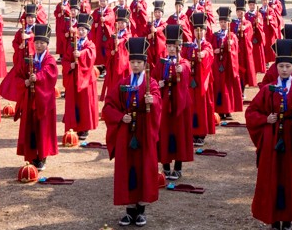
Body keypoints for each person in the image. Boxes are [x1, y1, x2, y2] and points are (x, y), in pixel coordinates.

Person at [245, 38, 292, 230]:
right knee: (272, 176)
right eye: (280, 66)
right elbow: (251, 112)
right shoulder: (267, 89)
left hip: (291, 138)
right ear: (276, 68)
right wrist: (266, 120)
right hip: (272, 138)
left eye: (287, 66)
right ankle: (273, 218)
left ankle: (288, 218)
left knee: (291, 177)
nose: (284, 70)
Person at [102, 37, 161, 227]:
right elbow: (109, 105)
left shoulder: (151, 83)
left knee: (144, 168)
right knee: (127, 169)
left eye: (139, 62)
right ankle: (129, 210)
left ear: (145, 64)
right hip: (126, 133)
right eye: (133, 62)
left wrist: (154, 102)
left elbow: (158, 100)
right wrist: (120, 117)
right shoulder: (123, 82)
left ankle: (141, 210)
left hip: (144, 131)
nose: (135, 65)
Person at [9, 24, 58, 170]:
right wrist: (24, 82)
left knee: (42, 128)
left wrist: (37, 77)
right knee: (30, 128)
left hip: (44, 100)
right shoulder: (28, 59)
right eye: (36, 42)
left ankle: (42, 156)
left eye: (42, 43)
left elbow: (50, 73)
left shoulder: (49, 59)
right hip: (29, 99)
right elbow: (17, 75)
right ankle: (31, 156)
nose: (38, 45)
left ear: (47, 44)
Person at [154, 24, 194, 180]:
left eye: (174, 46)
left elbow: (187, 70)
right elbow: (155, 79)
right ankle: (165, 167)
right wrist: (159, 84)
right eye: (169, 45)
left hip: (180, 104)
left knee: (179, 134)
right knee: (164, 133)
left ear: (180, 46)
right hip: (164, 104)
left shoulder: (183, 63)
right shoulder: (162, 62)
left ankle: (178, 167)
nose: (171, 49)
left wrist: (181, 71)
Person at [62, 12, 99, 140]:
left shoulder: (90, 45)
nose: (81, 32)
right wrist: (69, 65)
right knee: (74, 102)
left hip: (86, 78)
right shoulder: (72, 43)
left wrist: (81, 54)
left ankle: (84, 128)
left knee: (85, 103)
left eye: (84, 30)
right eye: (80, 29)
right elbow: (65, 59)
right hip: (73, 77)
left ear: (88, 31)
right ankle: (74, 126)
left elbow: (91, 56)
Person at [184, 11, 216, 146]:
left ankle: (201, 133)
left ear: (205, 31)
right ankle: (191, 132)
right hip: (191, 82)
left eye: (201, 30)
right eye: (196, 30)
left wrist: (202, 54)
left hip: (203, 80)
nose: (198, 33)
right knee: (191, 105)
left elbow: (209, 53)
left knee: (202, 105)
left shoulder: (207, 45)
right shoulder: (190, 45)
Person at [211, 6, 242, 120]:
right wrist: (215, 51)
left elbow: (236, 50)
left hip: (228, 64)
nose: (223, 24)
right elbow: (211, 48)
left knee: (227, 87)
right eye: (221, 22)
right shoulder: (215, 35)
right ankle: (219, 110)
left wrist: (231, 46)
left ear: (229, 22)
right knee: (218, 86)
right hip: (217, 65)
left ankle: (228, 110)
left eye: (225, 22)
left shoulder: (232, 36)